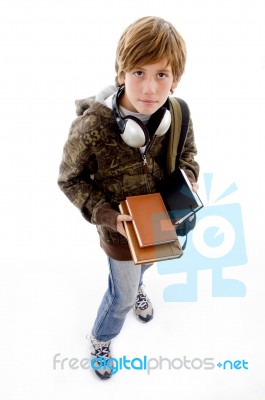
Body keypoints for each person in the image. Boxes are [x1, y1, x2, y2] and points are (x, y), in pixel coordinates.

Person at [58, 16, 199, 380]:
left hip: (160, 222)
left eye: (162, 74)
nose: (150, 87)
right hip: (120, 233)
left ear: (176, 79)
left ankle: (138, 284)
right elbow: (69, 179)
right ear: (121, 72)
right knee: (119, 298)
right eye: (138, 72)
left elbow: (188, 156)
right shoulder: (92, 127)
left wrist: (191, 180)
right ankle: (101, 337)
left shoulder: (178, 114)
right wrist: (107, 216)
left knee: (145, 269)